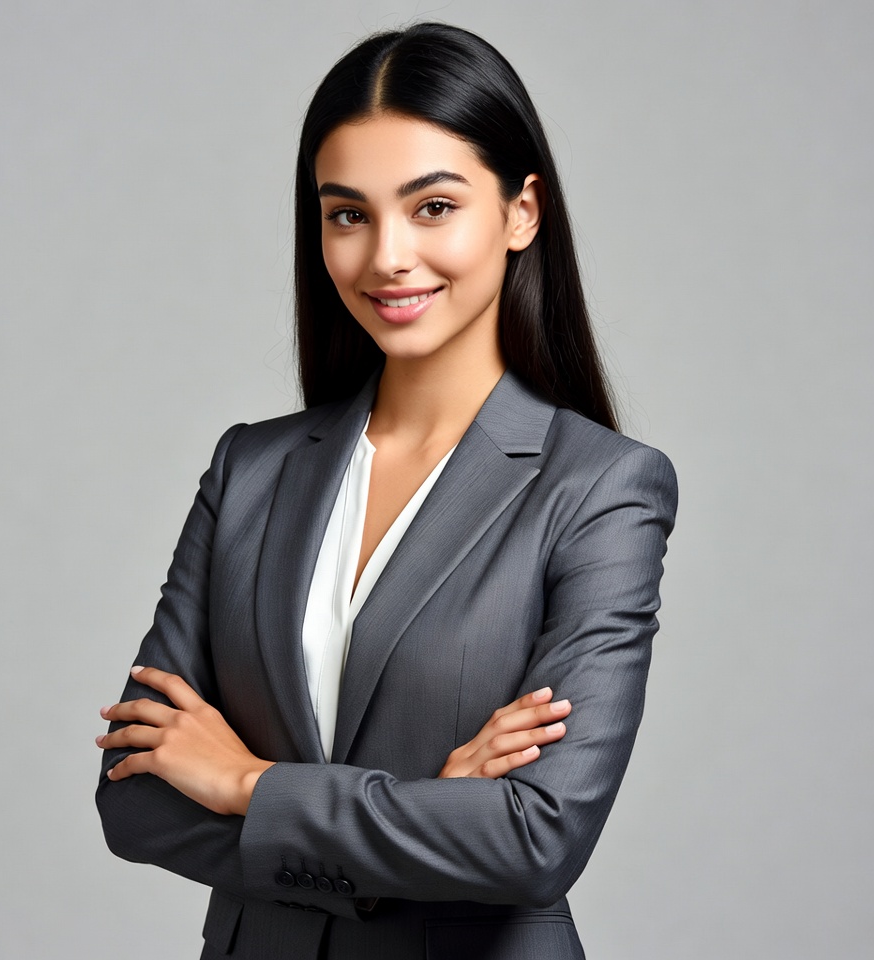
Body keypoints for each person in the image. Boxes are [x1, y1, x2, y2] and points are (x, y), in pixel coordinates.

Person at [95, 22, 677, 960]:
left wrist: (249, 785)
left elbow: (536, 840)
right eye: (348, 214)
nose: (387, 258)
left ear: (522, 212)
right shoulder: (250, 470)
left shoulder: (602, 489)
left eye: (433, 207)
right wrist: (432, 810)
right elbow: (135, 802)